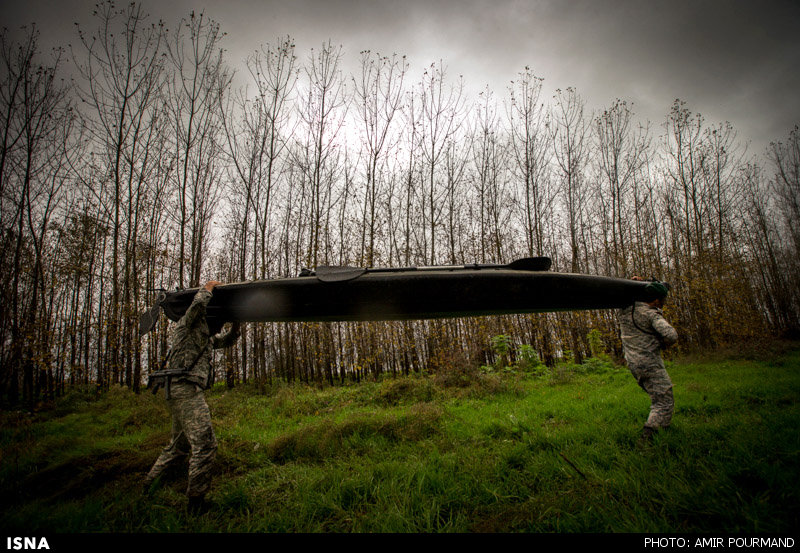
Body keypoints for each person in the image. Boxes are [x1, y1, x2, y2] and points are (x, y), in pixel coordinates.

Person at [144, 280, 241, 512]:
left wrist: (236, 325)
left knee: (177, 448)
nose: (219, 328)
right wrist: (206, 289)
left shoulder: (203, 336)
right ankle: (196, 503)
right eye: (219, 323)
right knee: (205, 445)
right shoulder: (188, 324)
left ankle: (148, 485)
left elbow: (226, 341)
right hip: (185, 390)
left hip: (177, 390)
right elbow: (197, 307)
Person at [617, 277, 678, 443]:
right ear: (656, 300)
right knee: (664, 402)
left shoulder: (625, 311)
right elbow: (671, 335)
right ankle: (650, 439)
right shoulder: (650, 314)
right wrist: (663, 342)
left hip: (633, 364)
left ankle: (658, 432)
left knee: (657, 397)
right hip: (650, 364)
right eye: (661, 301)